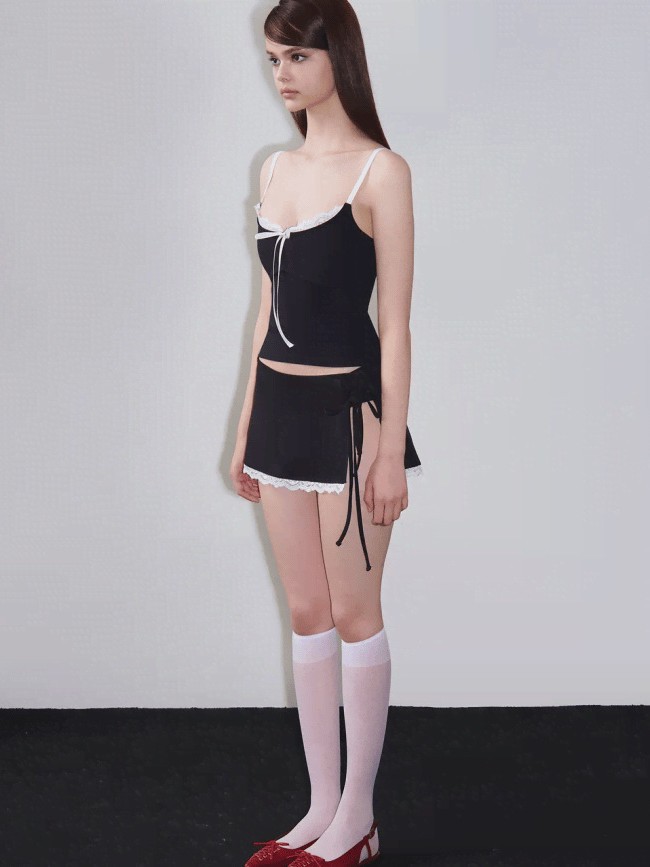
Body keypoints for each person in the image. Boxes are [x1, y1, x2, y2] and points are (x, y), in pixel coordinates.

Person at [231, 1, 423, 864]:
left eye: (297, 57)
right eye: (274, 58)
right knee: (307, 610)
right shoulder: (275, 168)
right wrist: (245, 428)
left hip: (351, 420)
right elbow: (265, 311)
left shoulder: (382, 172)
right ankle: (317, 808)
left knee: (354, 611)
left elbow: (399, 325)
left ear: (337, 57)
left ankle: (359, 817)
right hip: (279, 416)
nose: (281, 73)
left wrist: (389, 449)